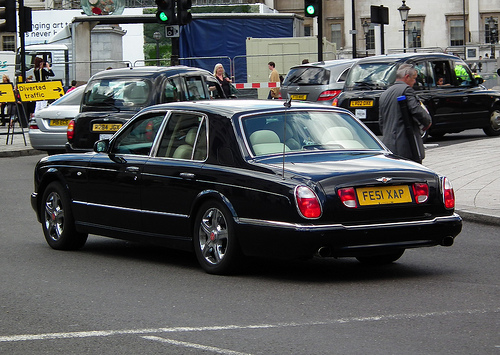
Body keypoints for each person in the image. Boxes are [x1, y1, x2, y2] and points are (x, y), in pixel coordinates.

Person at [379, 64, 432, 164]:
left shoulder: (384, 94)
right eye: (414, 78)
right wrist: (427, 122)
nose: (415, 82)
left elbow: (381, 121)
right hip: (407, 145)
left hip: (389, 144)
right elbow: (416, 110)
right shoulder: (406, 90)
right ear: (407, 77)